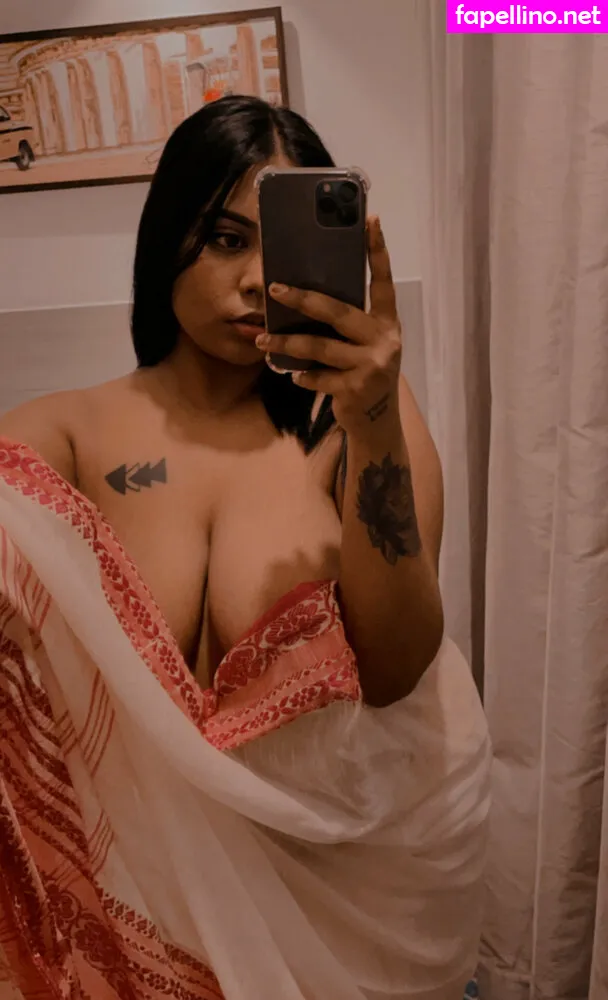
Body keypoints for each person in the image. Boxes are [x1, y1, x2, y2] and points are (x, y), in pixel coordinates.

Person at [0, 97, 490, 1000]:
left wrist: (374, 414)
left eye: (283, 245)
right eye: (226, 239)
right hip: (134, 922)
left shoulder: (355, 430)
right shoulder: (70, 434)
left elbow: (396, 670)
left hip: (344, 924)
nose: (260, 279)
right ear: (166, 238)